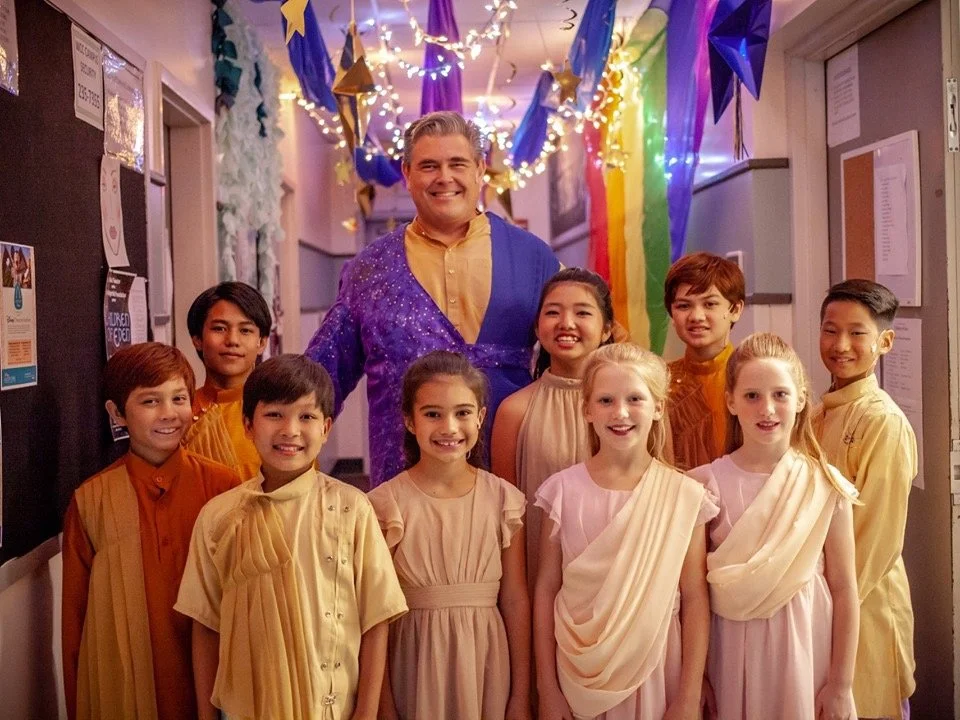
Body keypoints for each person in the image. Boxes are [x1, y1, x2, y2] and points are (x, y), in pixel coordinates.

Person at [305, 110, 560, 487]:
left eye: (457, 163)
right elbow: (321, 377)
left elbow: (578, 360)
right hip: (401, 483)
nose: (444, 178)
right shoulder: (368, 270)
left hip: (512, 472)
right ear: (407, 174)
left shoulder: (535, 258)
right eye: (428, 166)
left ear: (479, 169)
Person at [176, 354, 407, 720]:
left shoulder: (352, 509)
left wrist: (365, 713)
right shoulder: (219, 517)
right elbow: (205, 625)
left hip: (331, 708)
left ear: (327, 427)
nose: (290, 430)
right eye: (274, 415)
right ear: (248, 425)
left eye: (306, 416)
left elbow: (375, 621)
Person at [534, 343, 715, 720]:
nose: (620, 413)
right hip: (575, 672)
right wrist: (546, 688)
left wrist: (687, 696)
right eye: (605, 400)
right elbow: (546, 589)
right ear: (586, 409)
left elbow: (695, 598)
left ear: (659, 407)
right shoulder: (561, 492)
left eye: (635, 398)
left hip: (654, 668)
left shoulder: (684, 496)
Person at [61, 342, 241, 720]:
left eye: (178, 398)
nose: (169, 414)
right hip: (128, 686)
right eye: (149, 402)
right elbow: (75, 626)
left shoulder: (223, 486)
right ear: (117, 413)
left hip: (210, 684)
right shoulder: (91, 501)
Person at [688, 333, 860, 719]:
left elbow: (846, 588)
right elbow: (692, 594)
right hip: (728, 648)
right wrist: (695, 677)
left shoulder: (825, 484)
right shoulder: (702, 484)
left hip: (805, 646)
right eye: (752, 396)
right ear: (731, 401)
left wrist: (841, 685)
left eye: (780, 394)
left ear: (801, 399)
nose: (767, 409)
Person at [368, 351, 530, 720]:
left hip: (487, 660)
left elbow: (516, 600)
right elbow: (376, 614)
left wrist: (521, 694)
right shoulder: (383, 505)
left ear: (481, 417)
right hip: (414, 659)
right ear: (410, 421)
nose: (449, 427)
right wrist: (384, 704)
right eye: (432, 414)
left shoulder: (504, 500)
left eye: (462, 412)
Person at [812, 279, 916, 719]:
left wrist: (821, 602)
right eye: (830, 329)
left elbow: (873, 542)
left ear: (885, 342)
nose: (841, 345)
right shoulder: (819, 409)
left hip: (863, 606)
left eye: (857, 332)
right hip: (826, 598)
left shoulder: (882, 421)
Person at [491, 268, 615, 593]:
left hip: (616, 575)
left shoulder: (629, 409)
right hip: (539, 580)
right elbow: (509, 521)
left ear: (607, 330)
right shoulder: (514, 411)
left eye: (582, 312)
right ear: (537, 327)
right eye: (553, 313)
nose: (566, 323)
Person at [664, 252, 745, 470]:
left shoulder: (752, 377)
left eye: (709, 304)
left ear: (735, 310)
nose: (696, 316)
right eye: (683, 306)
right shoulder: (659, 381)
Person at [183, 281, 271, 480]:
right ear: (197, 338)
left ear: (262, 342)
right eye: (220, 328)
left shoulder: (280, 412)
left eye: (245, 330)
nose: (232, 340)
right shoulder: (180, 413)